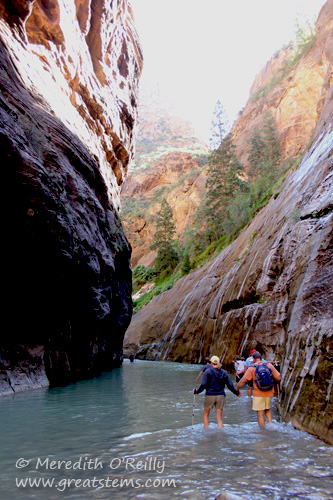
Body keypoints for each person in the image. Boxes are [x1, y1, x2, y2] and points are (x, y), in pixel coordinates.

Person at [193, 355, 242, 428]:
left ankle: (206, 433)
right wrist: (237, 393)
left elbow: (203, 384)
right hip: (220, 396)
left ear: (211, 363)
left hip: (209, 395)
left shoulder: (208, 372)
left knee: (206, 415)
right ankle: (220, 436)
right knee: (219, 418)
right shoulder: (224, 372)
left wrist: (197, 391)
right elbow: (230, 385)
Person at [237, 351, 281, 427]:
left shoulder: (252, 368)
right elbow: (278, 378)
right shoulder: (269, 365)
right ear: (261, 358)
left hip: (258, 394)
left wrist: (237, 389)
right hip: (270, 392)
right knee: (267, 409)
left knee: (260, 413)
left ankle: (262, 432)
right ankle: (271, 426)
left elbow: (243, 380)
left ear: (253, 359)